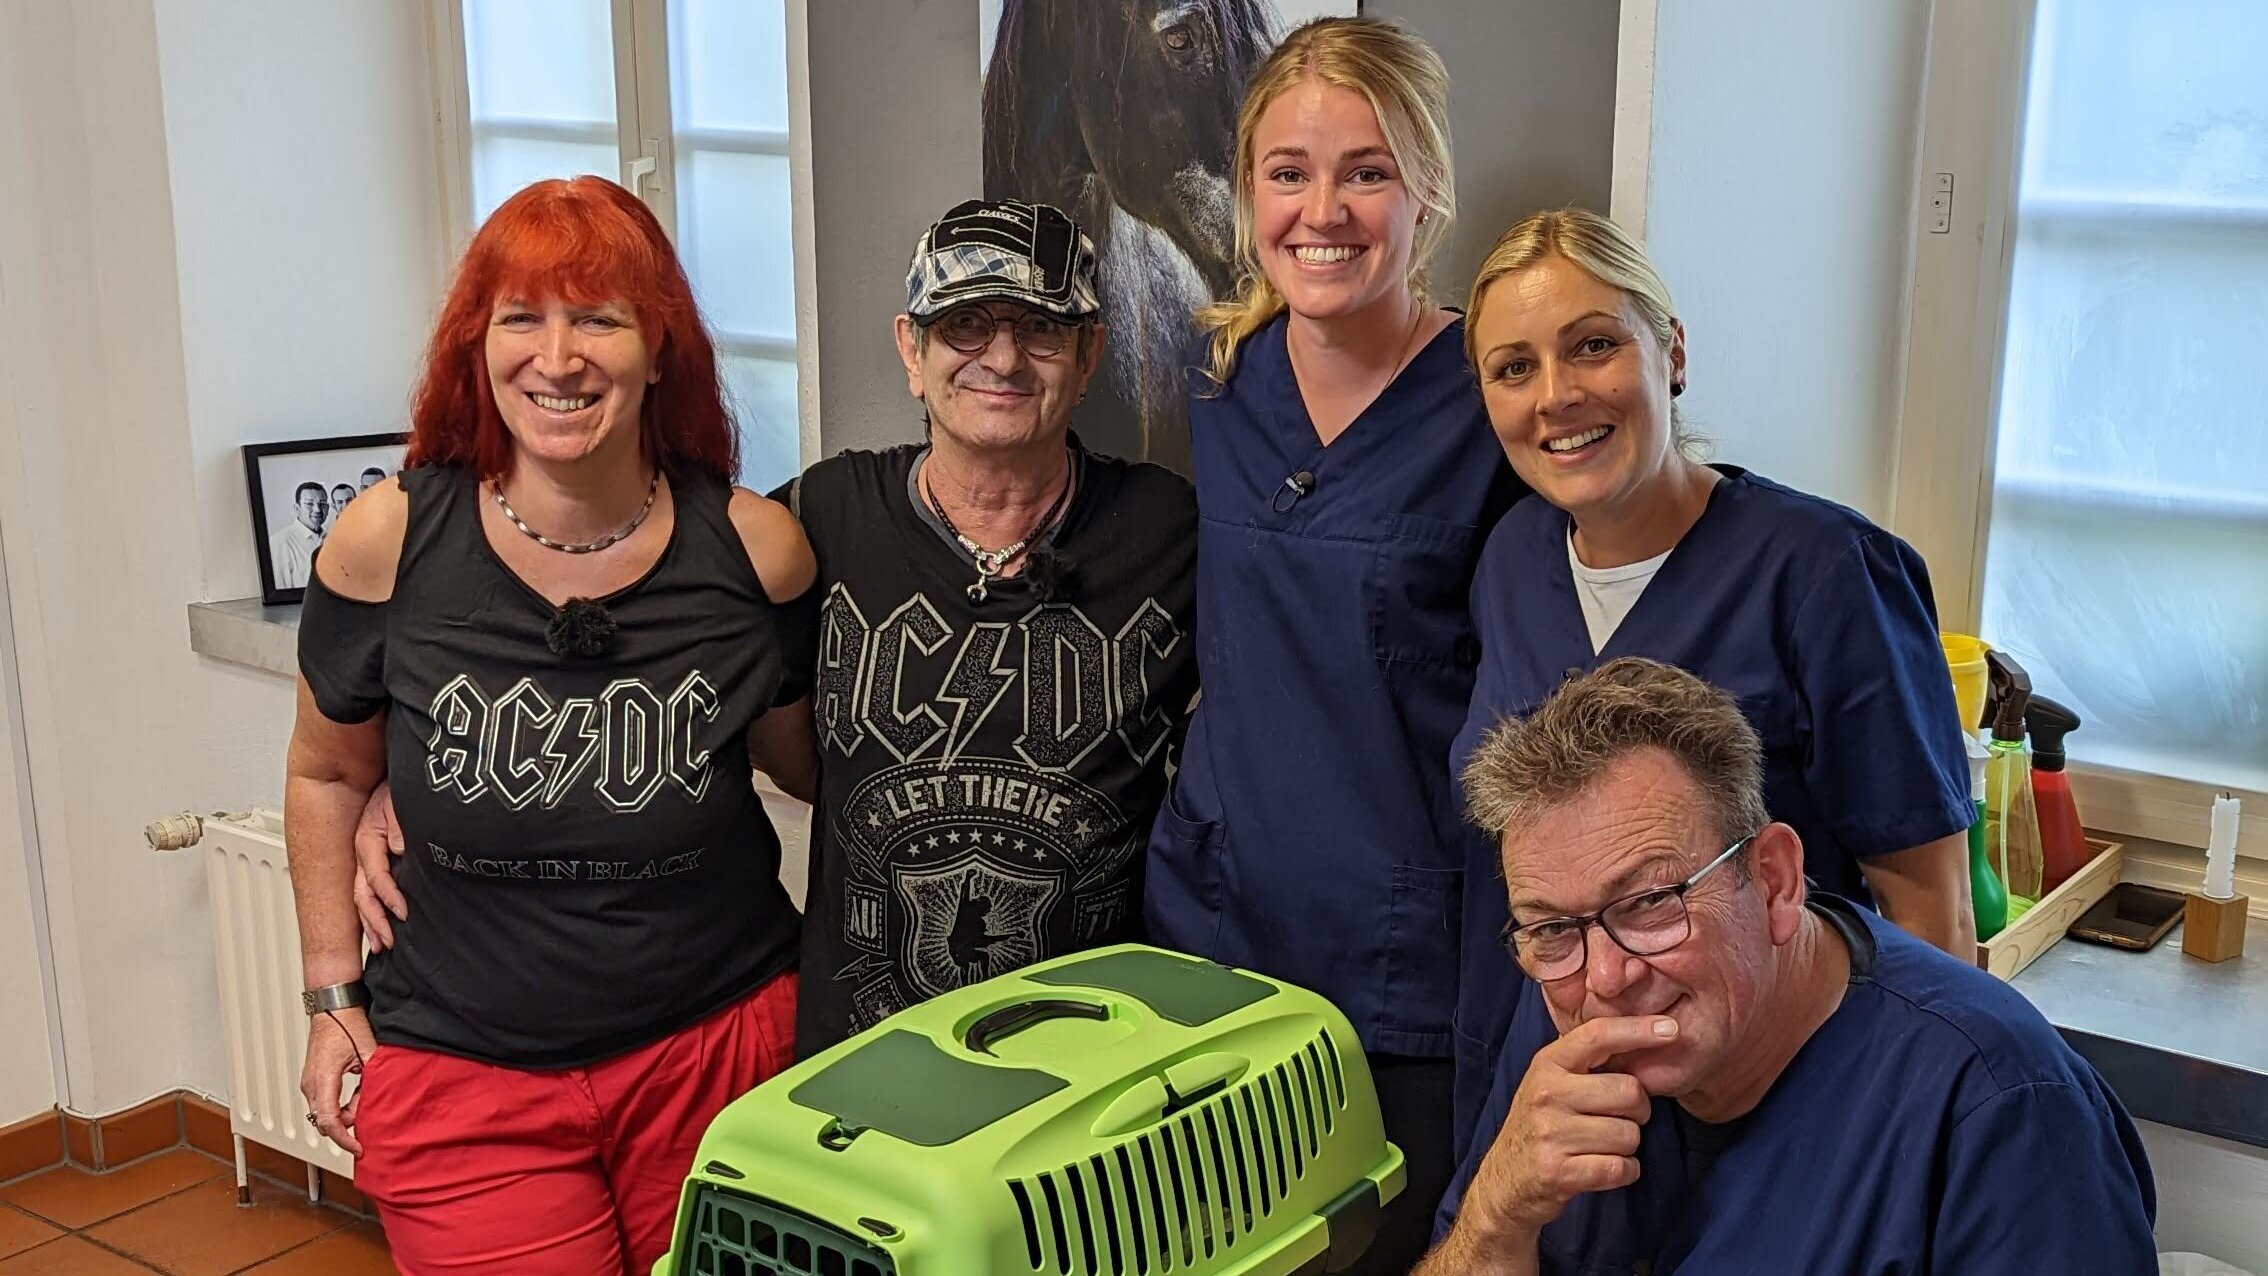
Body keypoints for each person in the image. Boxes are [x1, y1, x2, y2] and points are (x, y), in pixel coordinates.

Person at [285, 176, 816, 1275]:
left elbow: (808, 766)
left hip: (720, 1050)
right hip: (461, 1070)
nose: (559, 357)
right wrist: (332, 992)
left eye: (599, 320)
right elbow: (328, 773)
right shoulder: (387, 540)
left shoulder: (755, 552)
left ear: (659, 350)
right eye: (522, 316)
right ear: (477, 345)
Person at [1446, 207, 1977, 1162]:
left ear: (1673, 352)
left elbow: (1932, 914)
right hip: (1560, 1086)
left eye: (1595, 345)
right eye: (1514, 368)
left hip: (1782, 1102)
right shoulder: (1511, 563)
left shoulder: (1826, 573)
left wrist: (1900, 1154)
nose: (1557, 395)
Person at [1140, 18, 1524, 1271]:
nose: (1323, 211)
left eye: (1367, 172)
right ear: (1248, 191)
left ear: (1427, 189)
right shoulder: (1216, 380)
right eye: (1288, 173)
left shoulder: (1493, 398)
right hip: (1211, 933)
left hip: (1399, 965)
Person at [1418, 658, 2156, 1274]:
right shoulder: (1567, 1009)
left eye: (1649, 903)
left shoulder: (1999, 1107)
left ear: (1773, 881)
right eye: (1551, 927)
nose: (1607, 978)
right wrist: (1494, 1219)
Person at [779, 198, 1199, 1053]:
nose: (1003, 359)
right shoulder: (827, 515)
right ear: (913, 350)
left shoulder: (1168, 530)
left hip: (1093, 1052)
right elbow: (765, 724)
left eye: (1042, 329)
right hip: (861, 1046)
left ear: (1088, 356)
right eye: (965, 325)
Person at [269, 482, 327, 589]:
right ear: (297, 508)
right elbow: (279, 591)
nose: (318, 509)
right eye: (309, 504)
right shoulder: (280, 542)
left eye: (322, 504)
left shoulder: (333, 539)